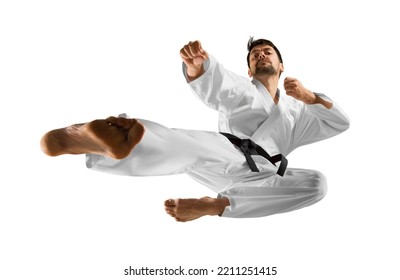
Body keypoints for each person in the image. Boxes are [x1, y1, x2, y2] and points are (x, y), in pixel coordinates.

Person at [40, 38, 350, 222]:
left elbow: (339, 123)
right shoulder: (242, 89)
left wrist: (310, 98)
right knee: (184, 147)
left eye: (268, 51)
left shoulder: (297, 110)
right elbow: (219, 86)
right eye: (255, 54)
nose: (261, 55)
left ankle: (216, 205)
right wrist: (197, 66)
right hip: (228, 152)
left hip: (265, 178)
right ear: (249, 69)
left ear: (281, 65)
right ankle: (108, 140)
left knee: (316, 184)